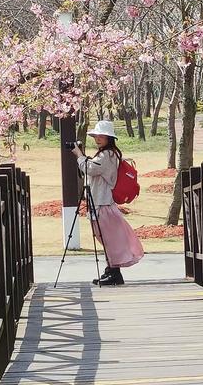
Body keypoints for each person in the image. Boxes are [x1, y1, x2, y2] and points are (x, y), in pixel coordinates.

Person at [71, 120, 144, 285]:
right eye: (96, 135)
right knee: (105, 237)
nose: (98, 138)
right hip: (100, 201)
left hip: (103, 202)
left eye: (101, 135)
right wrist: (83, 157)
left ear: (109, 138)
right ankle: (111, 270)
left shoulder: (108, 154)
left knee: (108, 238)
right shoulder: (107, 154)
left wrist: (79, 155)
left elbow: (91, 169)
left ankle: (114, 272)